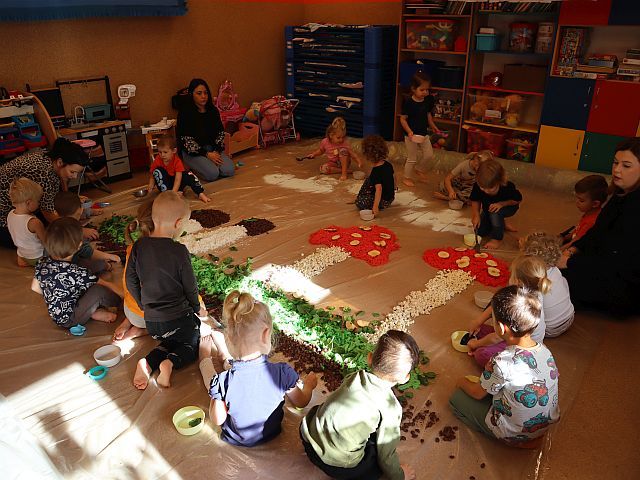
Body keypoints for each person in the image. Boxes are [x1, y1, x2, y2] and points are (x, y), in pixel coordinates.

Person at [198, 290, 317, 447]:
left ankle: (206, 356)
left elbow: (217, 419)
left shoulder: (223, 381)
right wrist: (309, 386)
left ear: (228, 338)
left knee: (213, 375)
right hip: (272, 433)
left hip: (236, 439)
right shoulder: (282, 373)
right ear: (266, 334)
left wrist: (217, 395)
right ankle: (223, 355)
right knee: (231, 370)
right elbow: (301, 402)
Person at [450, 286, 560, 448]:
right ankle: (531, 436)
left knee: (456, 399)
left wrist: (461, 382)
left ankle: (515, 440)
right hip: (543, 424)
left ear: (501, 328)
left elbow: (477, 393)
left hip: (514, 432)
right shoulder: (545, 351)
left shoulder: (501, 362)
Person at [301, 330, 418, 480]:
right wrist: (400, 475)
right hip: (336, 466)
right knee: (375, 460)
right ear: (405, 378)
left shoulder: (355, 376)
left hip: (308, 439)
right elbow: (386, 455)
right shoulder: (391, 408)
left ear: (369, 358)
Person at [127, 191, 204, 390]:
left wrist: (143, 304)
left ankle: (147, 363)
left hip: (153, 323)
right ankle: (169, 363)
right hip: (178, 319)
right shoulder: (179, 251)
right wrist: (197, 308)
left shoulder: (139, 246)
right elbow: (190, 286)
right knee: (193, 338)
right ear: (178, 223)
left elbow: (130, 280)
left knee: (169, 341)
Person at [559, 137, 640, 314]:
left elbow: (618, 261)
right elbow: (597, 232)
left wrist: (571, 262)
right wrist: (573, 249)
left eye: (626, 166)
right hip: (602, 265)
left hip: (622, 286)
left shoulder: (635, 210)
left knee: (552, 283)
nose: (617, 170)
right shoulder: (620, 194)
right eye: (615, 163)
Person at [0, 137, 98, 248]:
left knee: (55, 221)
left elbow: (53, 196)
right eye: (72, 172)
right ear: (60, 162)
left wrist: (73, 204)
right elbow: (48, 212)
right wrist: (78, 230)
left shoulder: (51, 160)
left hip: (18, 203)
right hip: (4, 213)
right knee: (37, 239)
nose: (75, 176)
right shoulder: (45, 173)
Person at [31, 218, 122, 329]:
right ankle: (97, 310)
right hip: (71, 318)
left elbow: (35, 287)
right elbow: (106, 285)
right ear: (79, 245)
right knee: (99, 290)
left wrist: (55, 292)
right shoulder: (77, 272)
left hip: (59, 312)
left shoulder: (42, 262)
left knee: (86, 268)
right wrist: (125, 296)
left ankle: (89, 310)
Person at [467, 255, 548, 367]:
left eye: (511, 276)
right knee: (479, 330)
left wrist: (476, 344)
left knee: (481, 354)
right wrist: (478, 321)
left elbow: (496, 337)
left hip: (522, 349)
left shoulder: (518, 306)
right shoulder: (533, 292)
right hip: (515, 335)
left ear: (518, 282)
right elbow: (496, 304)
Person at [176, 78, 235, 182]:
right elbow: (186, 141)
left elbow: (220, 133)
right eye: (199, 93)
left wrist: (216, 151)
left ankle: (210, 165)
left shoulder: (213, 110)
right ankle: (197, 168)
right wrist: (207, 154)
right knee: (212, 174)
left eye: (205, 93)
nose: (203, 96)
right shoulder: (185, 113)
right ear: (192, 94)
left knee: (229, 170)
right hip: (193, 152)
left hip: (212, 148)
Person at [112, 199, 154, 342]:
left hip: (129, 308)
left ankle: (128, 321)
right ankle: (139, 331)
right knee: (181, 319)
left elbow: (131, 283)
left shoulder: (133, 247)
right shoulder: (158, 256)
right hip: (144, 316)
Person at [521, 233, 574, 337]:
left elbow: (533, 311)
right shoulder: (555, 270)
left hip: (551, 328)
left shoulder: (533, 279)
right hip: (569, 318)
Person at [54, 192, 120, 274]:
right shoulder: (74, 231)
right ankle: (106, 266)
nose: (77, 219)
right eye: (77, 215)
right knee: (99, 264)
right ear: (81, 209)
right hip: (69, 267)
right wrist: (110, 257)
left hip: (52, 265)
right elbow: (87, 252)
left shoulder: (53, 226)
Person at [399, 72, 441, 187]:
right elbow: (402, 119)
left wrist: (433, 126)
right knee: (412, 158)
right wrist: (409, 132)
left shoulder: (428, 100)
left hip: (423, 133)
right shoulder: (408, 103)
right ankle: (406, 177)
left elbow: (428, 115)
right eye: (422, 90)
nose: (425, 92)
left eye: (427, 90)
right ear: (413, 89)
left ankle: (419, 169)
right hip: (411, 136)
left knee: (429, 155)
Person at [470, 159, 522, 249]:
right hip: (489, 209)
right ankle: (501, 223)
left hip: (508, 206)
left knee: (495, 214)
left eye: (491, 188)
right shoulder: (478, 185)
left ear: (499, 181)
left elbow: (517, 200)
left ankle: (497, 239)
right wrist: (476, 214)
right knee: (480, 231)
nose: (486, 191)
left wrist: (502, 204)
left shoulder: (507, 187)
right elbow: (475, 199)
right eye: (483, 188)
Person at [147, 136, 210, 203]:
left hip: (177, 183)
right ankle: (167, 194)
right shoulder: (158, 159)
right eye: (160, 152)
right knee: (157, 171)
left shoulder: (177, 161)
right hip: (165, 184)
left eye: (165, 152)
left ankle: (200, 193)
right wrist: (151, 184)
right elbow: (152, 173)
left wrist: (174, 193)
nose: (162, 155)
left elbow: (178, 179)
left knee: (189, 174)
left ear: (174, 151)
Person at [560, 174, 608, 250]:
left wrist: (558, 251)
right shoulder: (589, 212)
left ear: (595, 204)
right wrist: (564, 238)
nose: (577, 202)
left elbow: (576, 242)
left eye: (581, 200)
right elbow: (577, 231)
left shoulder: (592, 222)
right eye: (577, 198)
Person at [7, 178, 46, 267]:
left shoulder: (10, 214)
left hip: (22, 255)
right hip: (37, 256)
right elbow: (45, 241)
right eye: (38, 201)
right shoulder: (34, 222)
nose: (39, 204)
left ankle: (24, 262)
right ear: (29, 203)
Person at [355, 135, 395, 216]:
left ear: (368, 155)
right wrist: (394, 187)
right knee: (369, 179)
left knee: (359, 202)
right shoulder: (388, 164)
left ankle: (362, 198)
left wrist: (375, 206)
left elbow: (379, 189)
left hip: (383, 201)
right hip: (390, 198)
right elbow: (394, 177)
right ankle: (364, 196)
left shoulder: (375, 171)